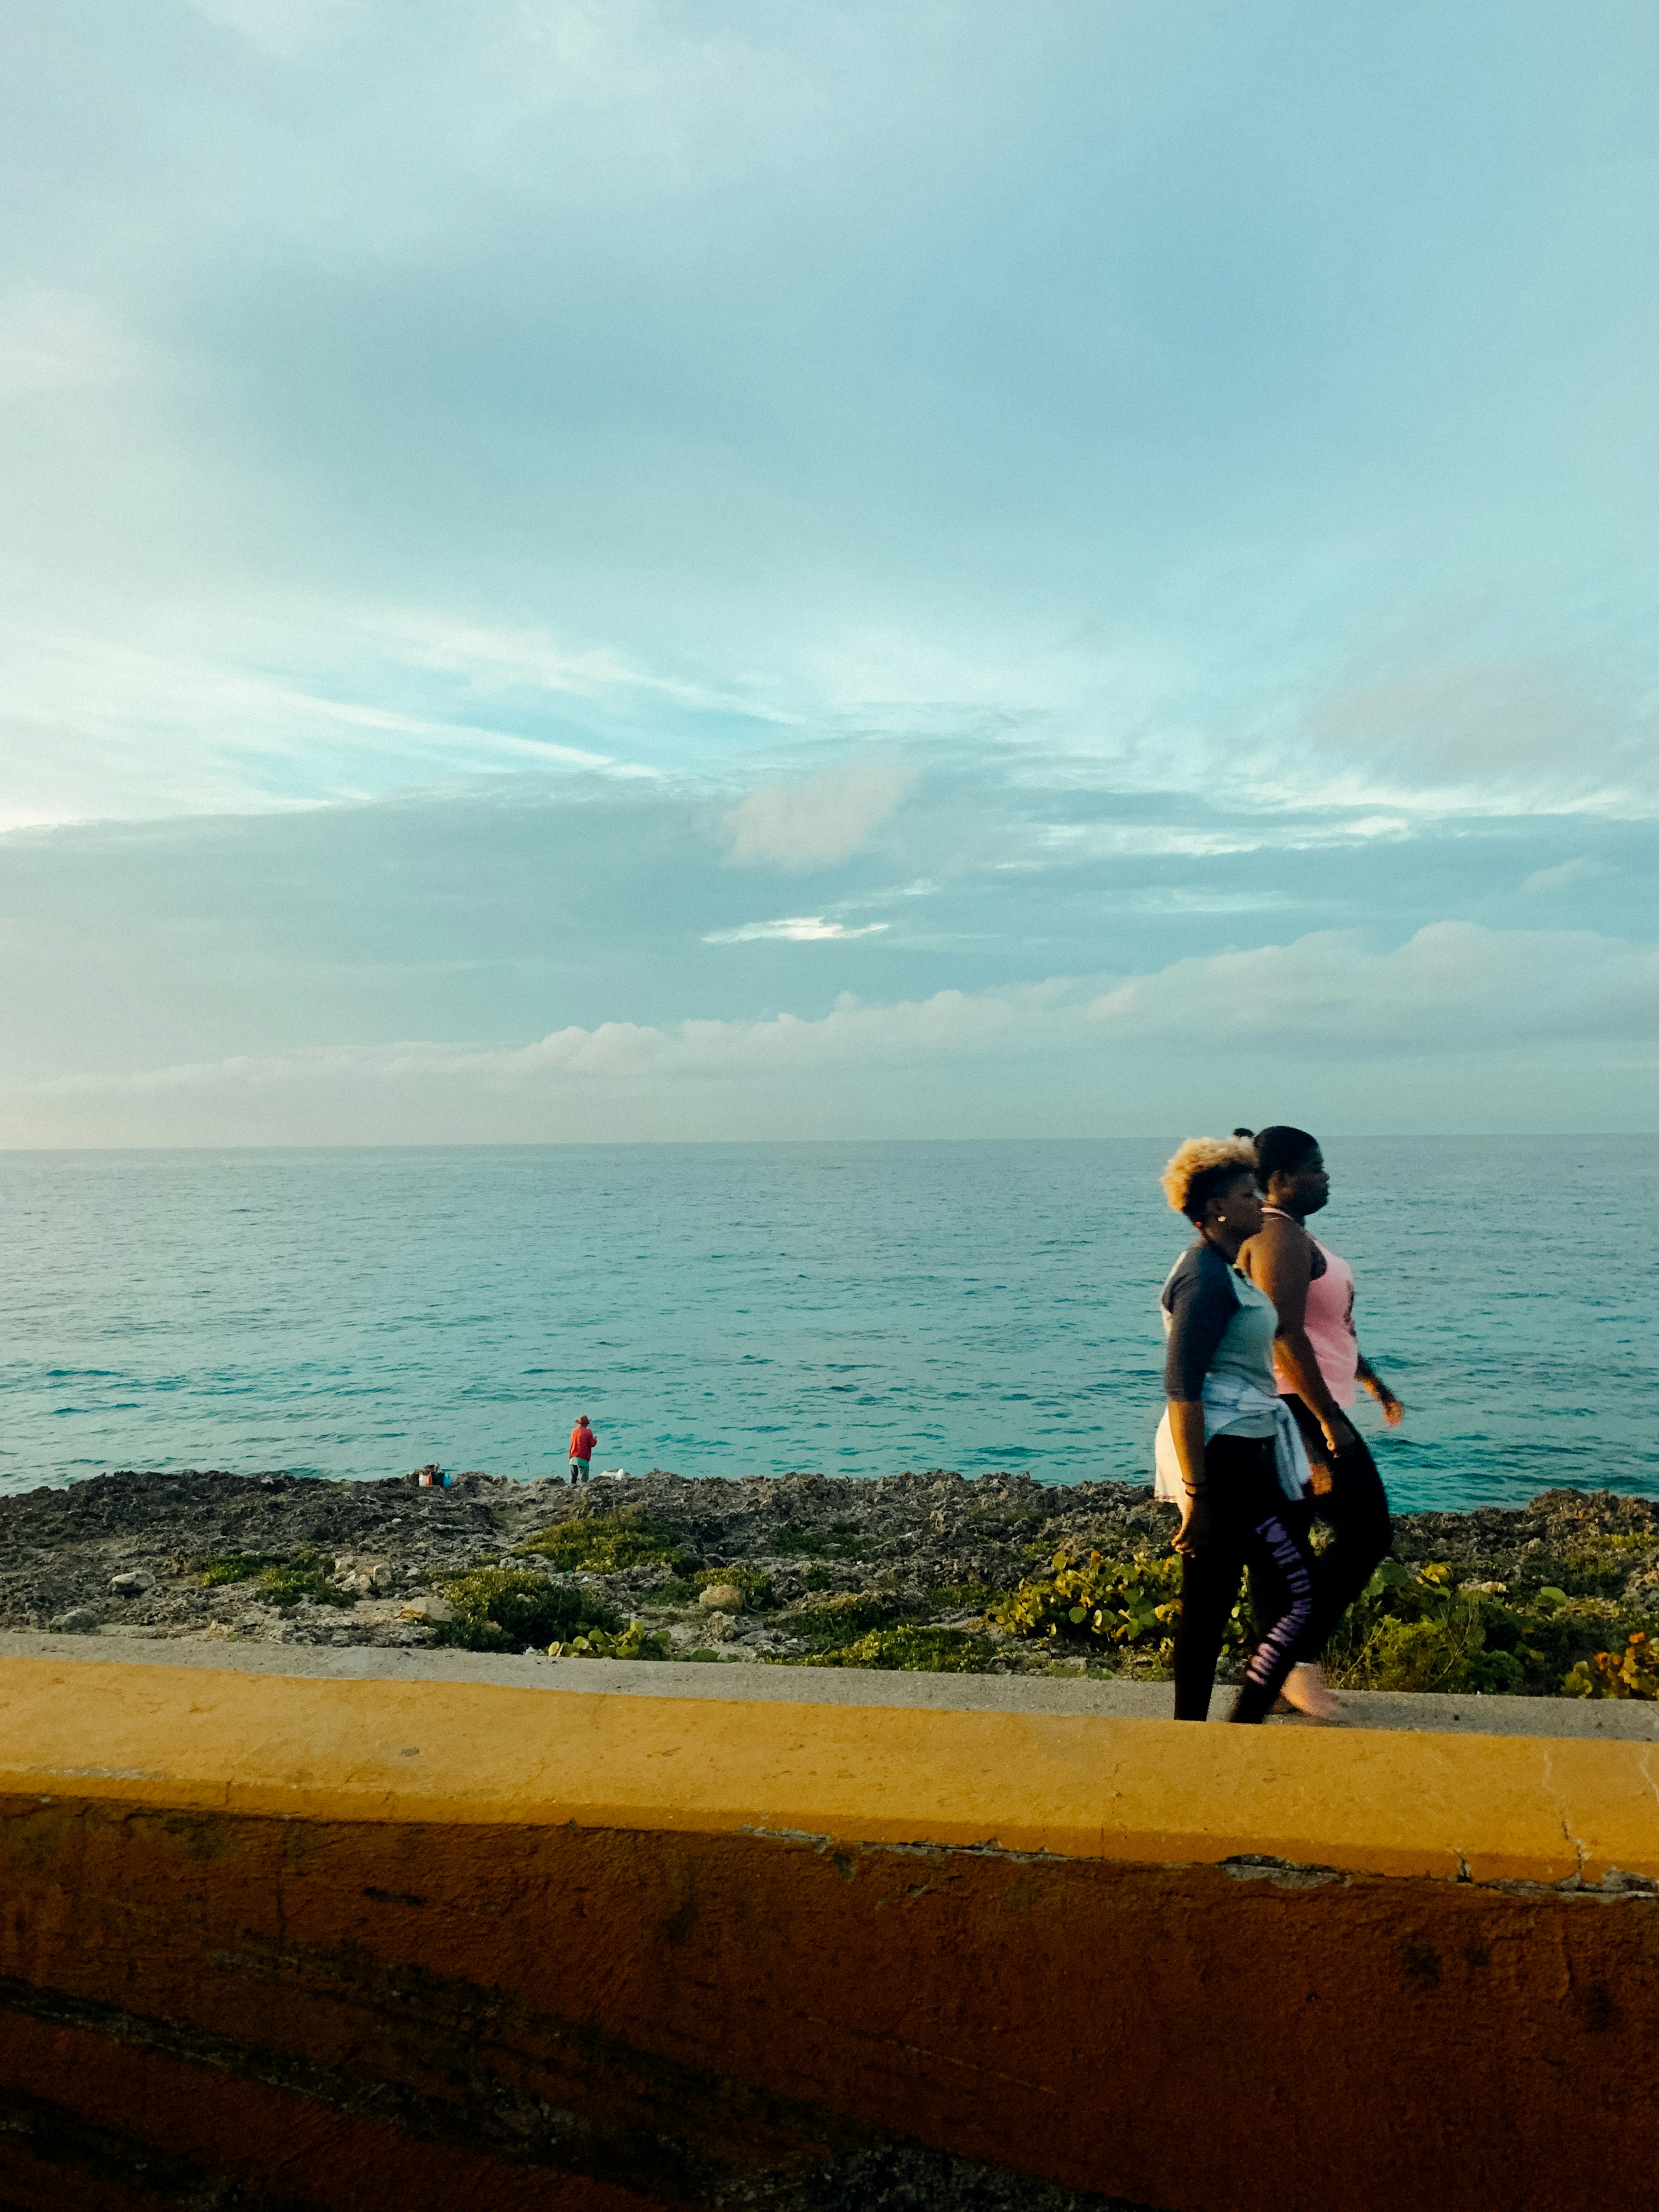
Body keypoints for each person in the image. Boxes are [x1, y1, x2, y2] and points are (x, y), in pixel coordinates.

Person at [1238, 1126, 1402, 1721]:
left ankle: (1281, 1660)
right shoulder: (1278, 1235)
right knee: (1366, 1530)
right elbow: (1282, 1331)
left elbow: (1327, 1329)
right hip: (1294, 1407)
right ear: (1279, 1179)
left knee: (1292, 1542)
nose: (1326, 1175)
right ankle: (1288, 1656)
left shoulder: (1293, 1234)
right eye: (1315, 1166)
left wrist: (1371, 1381)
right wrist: (1328, 1419)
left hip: (1305, 1403)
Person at [1153, 1136, 1316, 1724]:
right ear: (1218, 1208)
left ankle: (1199, 1732)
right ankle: (1229, 1722)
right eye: (1249, 1193)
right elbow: (1182, 1387)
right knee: (1286, 1598)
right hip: (1227, 1461)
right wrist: (1197, 1496)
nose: (1261, 1201)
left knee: (1215, 1604)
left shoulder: (1224, 1267)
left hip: (1250, 1451)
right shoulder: (1204, 1277)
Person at [568, 1415, 596, 1484]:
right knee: (584, 1480)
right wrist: (595, 1440)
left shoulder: (573, 1431)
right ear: (586, 1424)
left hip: (573, 1457)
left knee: (573, 1479)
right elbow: (592, 1444)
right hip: (583, 1458)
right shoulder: (588, 1432)